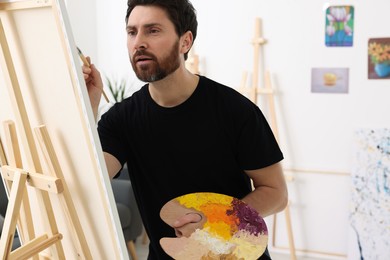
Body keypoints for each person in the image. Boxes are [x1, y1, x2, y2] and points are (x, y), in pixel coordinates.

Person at [83, 0, 288, 259]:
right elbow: (91, 179)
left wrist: (216, 221)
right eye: (132, 32)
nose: (139, 42)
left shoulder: (235, 110)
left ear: (185, 41)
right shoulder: (120, 120)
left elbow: (276, 193)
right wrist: (87, 107)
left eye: (153, 30)